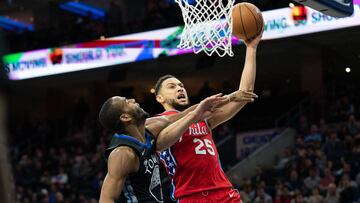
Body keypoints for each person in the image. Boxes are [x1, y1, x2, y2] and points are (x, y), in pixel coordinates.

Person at [154, 30, 263, 202]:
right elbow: (160, 144)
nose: (180, 88)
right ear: (159, 98)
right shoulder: (158, 122)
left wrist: (251, 48)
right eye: (172, 87)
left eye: (181, 85)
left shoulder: (204, 117)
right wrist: (197, 113)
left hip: (224, 192)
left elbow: (245, 94)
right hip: (190, 196)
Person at [98, 92, 256, 202]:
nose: (132, 99)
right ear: (125, 117)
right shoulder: (123, 153)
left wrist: (229, 97)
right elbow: (106, 199)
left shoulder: (151, 128)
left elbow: (183, 115)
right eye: (127, 101)